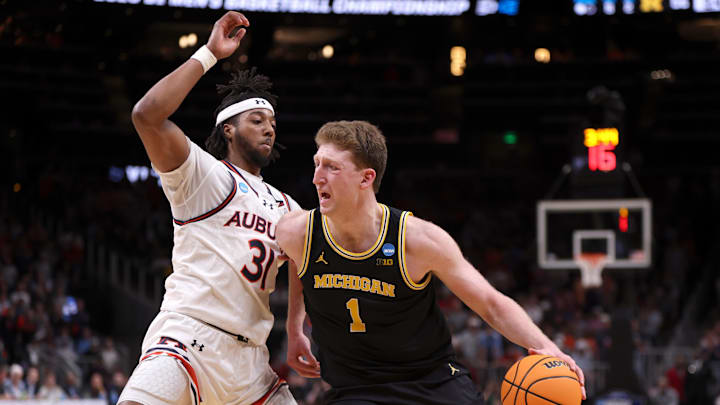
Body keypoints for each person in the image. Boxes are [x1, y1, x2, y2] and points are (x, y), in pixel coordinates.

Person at [276, 121, 586, 404]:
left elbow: (490, 303)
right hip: (356, 389)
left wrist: (549, 347)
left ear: (366, 178)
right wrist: (293, 328)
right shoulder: (295, 232)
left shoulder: (417, 240)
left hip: (432, 383)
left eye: (331, 168)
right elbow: (298, 263)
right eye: (317, 164)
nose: (316, 178)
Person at [118, 11, 299, 405]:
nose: (269, 128)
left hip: (252, 361)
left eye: (272, 121)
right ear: (228, 128)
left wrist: (299, 329)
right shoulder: (203, 174)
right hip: (188, 337)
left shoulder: (288, 206)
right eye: (257, 119)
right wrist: (208, 54)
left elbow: (306, 263)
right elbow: (146, 116)